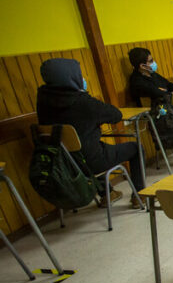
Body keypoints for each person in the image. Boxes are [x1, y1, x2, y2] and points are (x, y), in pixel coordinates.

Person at [36, 58, 144, 207]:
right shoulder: (81, 101)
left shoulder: (42, 101)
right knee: (136, 148)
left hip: (62, 164)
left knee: (83, 152)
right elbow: (116, 115)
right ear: (71, 77)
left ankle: (107, 194)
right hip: (90, 162)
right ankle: (140, 195)